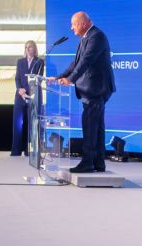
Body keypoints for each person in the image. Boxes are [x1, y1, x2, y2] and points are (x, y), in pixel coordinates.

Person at [46, 12, 114, 174]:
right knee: (96, 127)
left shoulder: (96, 36)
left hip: (96, 89)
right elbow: (75, 63)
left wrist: (70, 79)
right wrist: (60, 77)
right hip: (93, 89)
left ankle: (88, 163)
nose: (71, 28)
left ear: (83, 23)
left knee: (90, 125)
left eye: (74, 24)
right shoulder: (85, 38)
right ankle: (98, 162)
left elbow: (86, 61)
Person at [12, 40, 44, 157]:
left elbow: (38, 79)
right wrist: (20, 89)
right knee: (17, 124)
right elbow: (17, 78)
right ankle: (16, 151)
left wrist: (26, 90)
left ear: (34, 48)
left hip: (33, 95)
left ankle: (29, 150)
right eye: (26, 47)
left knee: (32, 124)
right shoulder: (20, 61)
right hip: (20, 96)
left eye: (30, 47)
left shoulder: (40, 62)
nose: (27, 49)